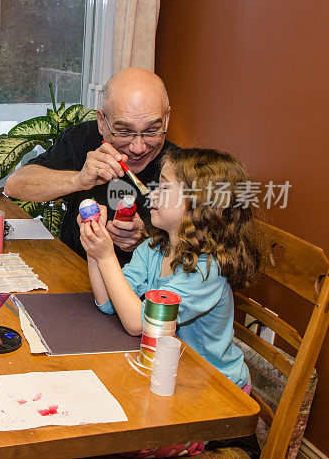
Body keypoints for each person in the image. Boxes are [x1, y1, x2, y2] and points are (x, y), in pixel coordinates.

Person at [79, 147, 261, 457]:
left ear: (199, 206)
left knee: (121, 443)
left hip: (214, 396)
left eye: (164, 186)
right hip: (169, 374)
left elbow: (139, 323)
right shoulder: (154, 248)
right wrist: (94, 251)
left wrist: (107, 256)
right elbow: (110, 302)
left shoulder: (206, 271)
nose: (152, 191)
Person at [4, 67, 177, 265]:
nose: (138, 148)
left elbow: (199, 258)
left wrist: (146, 242)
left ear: (167, 119)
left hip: (141, 291)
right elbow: (15, 185)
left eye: (152, 131)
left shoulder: (180, 168)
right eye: (123, 131)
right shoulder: (82, 139)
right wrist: (77, 180)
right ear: (102, 122)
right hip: (75, 272)